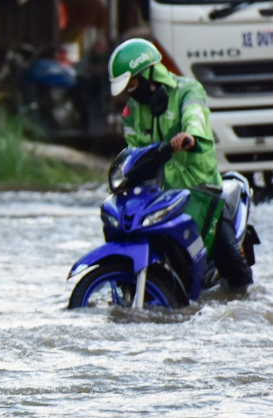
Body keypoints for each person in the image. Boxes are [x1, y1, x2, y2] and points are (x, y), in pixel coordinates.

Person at [108, 38, 253, 289]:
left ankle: (246, 295)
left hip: (200, 188)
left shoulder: (188, 90)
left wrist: (189, 136)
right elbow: (134, 150)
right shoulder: (131, 112)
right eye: (127, 89)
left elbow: (194, 115)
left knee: (226, 255)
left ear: (149, 75)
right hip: (160, 195)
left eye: (132, 84)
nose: (131, 93)